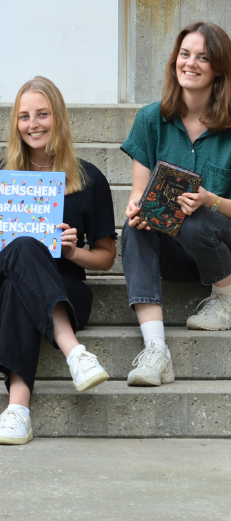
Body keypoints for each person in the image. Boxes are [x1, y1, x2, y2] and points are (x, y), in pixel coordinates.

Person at [0, 76, 115, 445]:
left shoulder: (89, 179)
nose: (33, 125)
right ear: (16, 124)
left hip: (65, 288)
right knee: (23, 247)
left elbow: (107, 257)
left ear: (59, 117)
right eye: (24, 116)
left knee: (26, 286)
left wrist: (73, 252)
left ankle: (17, 409)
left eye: (42, 114)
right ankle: (74, 351)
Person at [121, 22, 231, 388]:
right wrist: (137, 208)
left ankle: (225, 298)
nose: (191, 63)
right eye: (185, 54)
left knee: (198, 216)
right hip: (173, 251)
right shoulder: (151, 120)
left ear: (219, 68)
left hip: (221, 246)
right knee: (135, 229)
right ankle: (156, 351)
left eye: (203, 57)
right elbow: (138, 193)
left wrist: (211, 200)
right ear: (174, 61)